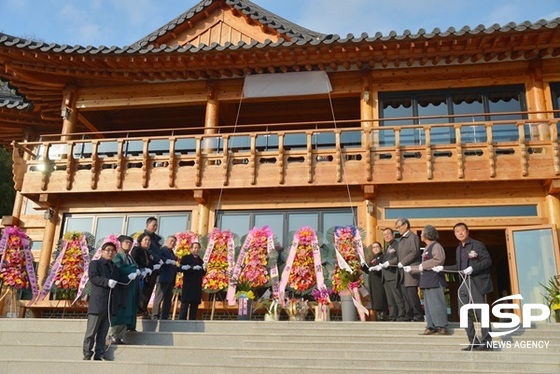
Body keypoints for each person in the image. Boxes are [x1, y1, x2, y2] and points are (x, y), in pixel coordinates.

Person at [435, 222, 493, 351]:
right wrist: (442, 268)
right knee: (463, 312)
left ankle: (487, 342)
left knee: (481, 312)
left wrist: (473, 267)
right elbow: (459, 267)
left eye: (462, 230)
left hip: (476, 282)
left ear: (467, 232)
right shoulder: (458, 249)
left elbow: (487, 261)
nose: (460, 233)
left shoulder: (477, 245)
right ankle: (473, 341)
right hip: (464, 283)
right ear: (455, 234)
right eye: (457, 231)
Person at [404, 225, 449, 335]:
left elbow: (438, 260)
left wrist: (420, 266)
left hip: (435, 280)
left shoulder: (436, 246)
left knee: (437, 303)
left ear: (428, 234)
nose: (421, 235)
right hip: (427, 280)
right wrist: (412, 269)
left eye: (422, 232)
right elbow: (422, 266)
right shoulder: (427, 248)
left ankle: (441, 325)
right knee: (429, 306)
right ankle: (431, 326)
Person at [82, 242, 123, 361]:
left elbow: (122, 280)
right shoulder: (95, 264)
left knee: (103, 333)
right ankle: (87, 353)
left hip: (109, 305)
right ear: (102, 251)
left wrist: (133, 274)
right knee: (91, 332)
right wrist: (107, 281)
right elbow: (93, 278)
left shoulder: (115, 267)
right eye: (108, 250)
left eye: (113, 251)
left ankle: (99, 353)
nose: (110, 253)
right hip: (98, 303)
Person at [110, 235, 139, 344]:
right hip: (121, 288)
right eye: (126, 242)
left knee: (128, 311)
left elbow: (135, 266)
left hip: (130, 288)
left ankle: (120, 336)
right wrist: (132, 270)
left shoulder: (130, 257)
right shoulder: (118, 256)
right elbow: (119, 267)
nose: (128, 244)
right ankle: (113, 335)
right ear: (121, 244)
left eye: (130, 243)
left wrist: (137, 270)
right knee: (120, 312)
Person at [395, 218, 423, 322]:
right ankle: (409, 313)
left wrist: (403, 262)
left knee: (412, 294)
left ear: (406, 225)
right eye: (397, 227)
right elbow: (398, 257)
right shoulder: (401, 240)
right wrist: (389, 263)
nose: (398, 229)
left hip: (410, 271)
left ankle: (418, 314)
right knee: (405, 295)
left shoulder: (412, 237)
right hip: (403, 272)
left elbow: (414, 252)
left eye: (399, 227)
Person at [379, 227, 406, 321]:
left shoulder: (397, 245)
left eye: (388, 234)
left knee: (397, 296)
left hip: (393, 274)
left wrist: (389, 263)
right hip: (386, 276)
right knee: (390, 299)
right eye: (384, 235)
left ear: (393, 235)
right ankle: (393, 316)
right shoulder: (387, 247)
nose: (386, 236)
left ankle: (402, 315)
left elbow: (399, 258)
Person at [140, 217, 163, 318]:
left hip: (155, 268)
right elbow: (149, 251)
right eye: (153, 225)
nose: (155, 227)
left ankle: (144, 310)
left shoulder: (156, 238)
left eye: (156, 225)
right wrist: (157, 259)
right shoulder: (144, 237)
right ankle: (140, 311)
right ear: (147, 225)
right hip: (147, 267)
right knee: (144, 290)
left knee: (149, 290)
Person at [152, 235, 178, 320]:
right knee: (159, 297)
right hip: (163, 278)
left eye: (174, 242)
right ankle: (155, 315)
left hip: (171, 279)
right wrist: (166, 261)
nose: (172, 243)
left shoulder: (172, 253)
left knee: (168, 299)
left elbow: (173, 266)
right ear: (166, 241)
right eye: (171, 241)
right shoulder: (163, 250)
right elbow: (158, 258)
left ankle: (165, 316)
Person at [361, 241, 388, 321]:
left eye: (377, 247)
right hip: (373, 281)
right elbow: (369, 271)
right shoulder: (372, 259)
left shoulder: (383, 257)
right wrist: (363, 266)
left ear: (380, 248)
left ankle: (383, 314)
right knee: (375, 298)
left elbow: (382, 269)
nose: (375, 249)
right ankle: (378, 314)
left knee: (380, 297)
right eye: (374, 247)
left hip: (379, 280)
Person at [179, 242, 206, 320]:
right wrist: (192, 267)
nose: (196, 250)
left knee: (194, 304)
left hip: (197, 285)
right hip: (188, 284)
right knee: (185, 304)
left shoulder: (201, 260)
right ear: (191, 249)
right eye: (195, 248)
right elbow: (181, 268)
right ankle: (181, 321)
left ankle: (192, 321)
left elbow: (202, 273)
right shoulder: (186, 258)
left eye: (198, 248)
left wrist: (204, 269)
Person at [131, 232, 154, 317]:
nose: (147, 242)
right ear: (140, 241)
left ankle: (142, 310)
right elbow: (134, 262)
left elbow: (150, 264)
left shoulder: (147, 252)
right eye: (146, 240)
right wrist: (142, 269)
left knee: (145, 294)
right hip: (138, 276)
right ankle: (138, 312)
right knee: (139, 294)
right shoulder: (137, 249)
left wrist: (150, 268)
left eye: (149, 240)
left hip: (146, 276)